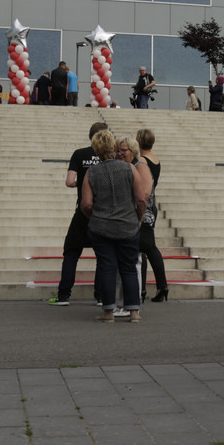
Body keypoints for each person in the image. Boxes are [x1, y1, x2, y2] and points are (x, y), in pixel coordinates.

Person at [81, 129, 147, 323]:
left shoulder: (91, 172)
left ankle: (108, 311)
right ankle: (133, 311)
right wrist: (138, 218)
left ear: (96, 150)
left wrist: (94, 217)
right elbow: (141, 199)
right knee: (129, 268)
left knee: (106, 267)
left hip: (101, 227)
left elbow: (86, 204)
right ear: (114, 147)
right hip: (128, 225)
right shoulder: (130, 169)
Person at [48, 121, 109, 306]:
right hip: (104, 212)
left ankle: (63, 295)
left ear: (90, 136)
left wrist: (81, 184)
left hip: (83, 210)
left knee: (72, 252)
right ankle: (101, 296)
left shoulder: (79, 154)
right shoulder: (110, 157)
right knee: (103, 255)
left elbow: (69, 181)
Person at [136, 128, 168, 303]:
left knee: (145, 248)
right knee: (147, 247)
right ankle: (160, 287)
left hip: (145, 207)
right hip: (152, 206)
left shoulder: (142, 161)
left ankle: (144, 289)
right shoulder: (156, 160)